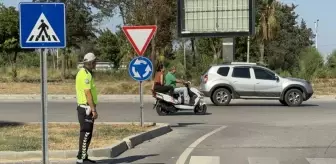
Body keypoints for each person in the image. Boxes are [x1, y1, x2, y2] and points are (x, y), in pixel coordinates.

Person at [75, 52, 98, 164]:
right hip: (86, 108)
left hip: (85, 107)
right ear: (91, 62)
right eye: (95, 62)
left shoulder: (84, 72)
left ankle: (84, 157)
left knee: (87, 133)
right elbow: (87, 93)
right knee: (86, 133)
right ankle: (81, 159)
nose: (96, 63)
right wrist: (93, 109)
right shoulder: (85, 75)